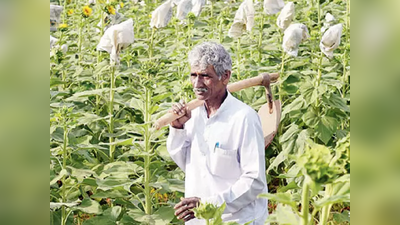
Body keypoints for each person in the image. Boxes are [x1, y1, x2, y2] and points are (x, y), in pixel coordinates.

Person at [167, 42, 268, 224]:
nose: (197, 84)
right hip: (200, 219)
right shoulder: (193, 115)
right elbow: (186, 164)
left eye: (205, 76)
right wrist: (177, 128)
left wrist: (210, 204)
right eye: (193, 75)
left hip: (237, 219)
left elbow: (254, 182)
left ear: (225, 76)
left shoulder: (244, 118)